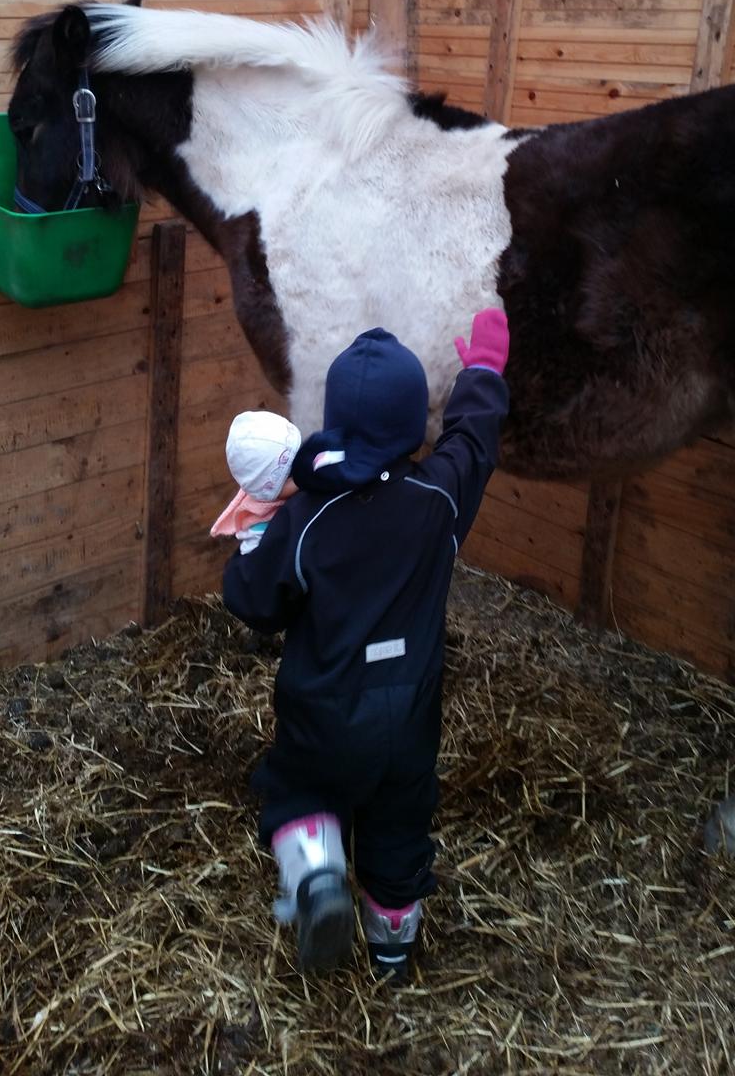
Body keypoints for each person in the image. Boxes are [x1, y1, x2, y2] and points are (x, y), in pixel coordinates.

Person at [223, 308, 510, 982]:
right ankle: (391, 948)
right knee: (399, 827)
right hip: (410, 718)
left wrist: (254, 538)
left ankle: (319, 876)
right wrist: (484, 374)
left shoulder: (306, 518)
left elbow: (254, 603)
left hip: (324, 711)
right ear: (413, 424)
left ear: (337, 418)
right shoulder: (437, 499)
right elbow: (473, 441)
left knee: (298, 791)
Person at [211, 410, 302, 552]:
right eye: (289, 476)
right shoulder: (259, 529)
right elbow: (258, 566)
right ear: (270, 492)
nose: (301, 470)